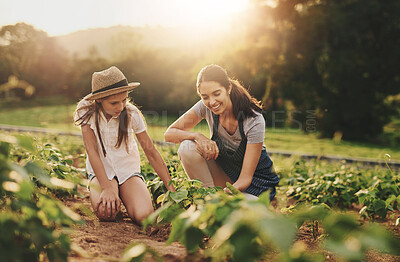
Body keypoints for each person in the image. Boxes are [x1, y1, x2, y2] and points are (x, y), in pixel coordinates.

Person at [74, 66, 174, 224]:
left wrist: (171, 188)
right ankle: (113, 191)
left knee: (145, 217)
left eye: (124, 100)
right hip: (102, 173)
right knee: (106, 212)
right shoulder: (86, 111)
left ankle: (126, 193)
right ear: (99, 99)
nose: (120, 107)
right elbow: (91, 151)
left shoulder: (132, 113)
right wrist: (107, 188)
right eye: (114, 103)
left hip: (128, 172)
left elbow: (151, 152)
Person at [164, 64, 279, 200]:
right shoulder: (204, 107)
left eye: (216, 94)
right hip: (226, 178)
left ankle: (217, 203)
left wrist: (222, 198)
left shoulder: (253, 120)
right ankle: (206, 201)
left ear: (228, 88)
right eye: (205, 96)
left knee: (245, 213)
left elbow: (245, 179)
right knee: (187, 147)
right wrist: (196, 136)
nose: (212, 102)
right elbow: (169, 134)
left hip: (255, 186)